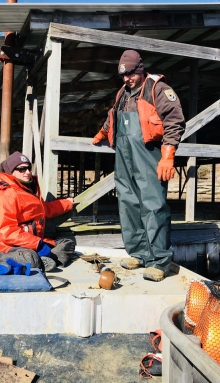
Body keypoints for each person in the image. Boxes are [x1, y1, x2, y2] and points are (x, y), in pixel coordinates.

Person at [92, 50, 185, 282]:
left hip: (148, 155)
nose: (127, 79)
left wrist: (168, 155)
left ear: (140, 69)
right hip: (124, 156)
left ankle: (159, 260)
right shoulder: (122, 93)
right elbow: (113, 116)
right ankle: (139, 253)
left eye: (131, 74)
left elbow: (174, 121)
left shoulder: (158, 90)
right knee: (128, 202)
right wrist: (104, 131)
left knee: (153, 205)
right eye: (124, 76)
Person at [0, 151, 78, 272]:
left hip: (32, 242)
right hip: (10, 246)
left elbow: (46, 209)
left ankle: (40, 262)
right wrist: (37, 245)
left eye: (28, 168)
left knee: (67, 244)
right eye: (22, 169)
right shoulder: (4, 195)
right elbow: (7, 232)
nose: (28, 172)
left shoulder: (27, 191)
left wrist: (67, 203)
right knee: (31, 258)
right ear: (11, 172)